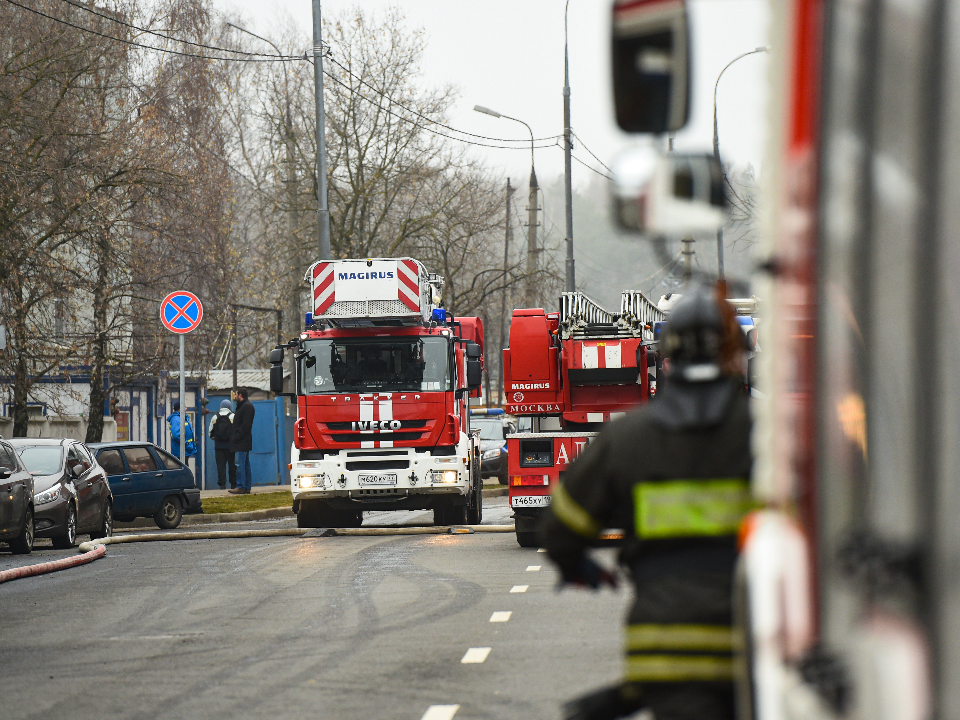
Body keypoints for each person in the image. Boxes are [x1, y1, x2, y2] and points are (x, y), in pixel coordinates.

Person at [541, 282, 753, 720]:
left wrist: (578, 567)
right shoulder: (773, 434)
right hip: (761, 644)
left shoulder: (627, 438)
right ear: (737, 355)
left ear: (664, 359)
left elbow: (560, 530)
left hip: (664, 652)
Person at [228, 388, 255, 495]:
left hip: (242, 442)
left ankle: (241, 486)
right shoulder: (244, 406)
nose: (235, 397)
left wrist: (237, 437)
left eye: (236, 394)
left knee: (240, 464)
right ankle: (246, 486)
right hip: (243, 441)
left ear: (240, 395)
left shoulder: (246, 406)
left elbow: (246, 425)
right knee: (245, 464)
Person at [208, 399, 236, 490]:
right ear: (229, 407)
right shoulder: (233, 416)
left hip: (219, 446)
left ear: (221, 407)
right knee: (232, 465)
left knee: (220, 465)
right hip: (231, 446)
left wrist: (217, 439)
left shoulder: (215, 417)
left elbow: (210, 433)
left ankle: (222, 484)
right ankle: (233, 484)